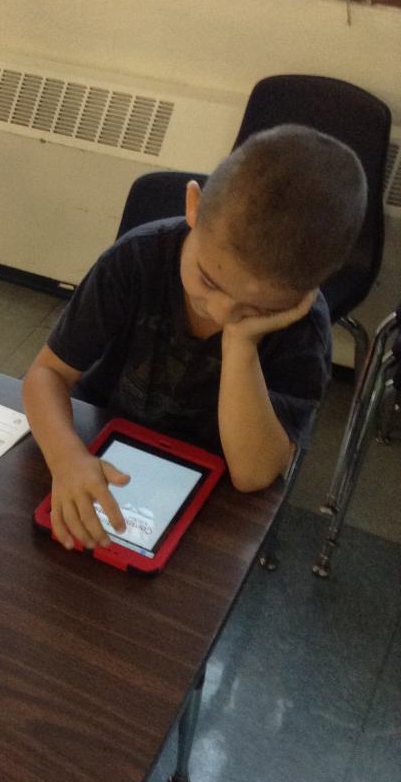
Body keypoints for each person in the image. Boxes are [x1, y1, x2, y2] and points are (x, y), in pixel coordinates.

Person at [22, 125, 367, 550]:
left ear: (307, 290)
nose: (221, 312)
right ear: (193, 205)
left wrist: (241, 344)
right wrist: (66, 457)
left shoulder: (303, 328)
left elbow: (253, 475)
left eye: (256, 309)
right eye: (208, 280)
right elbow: (47, 374)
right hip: (104, 447)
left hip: (210, 495)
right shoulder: (135, 260)